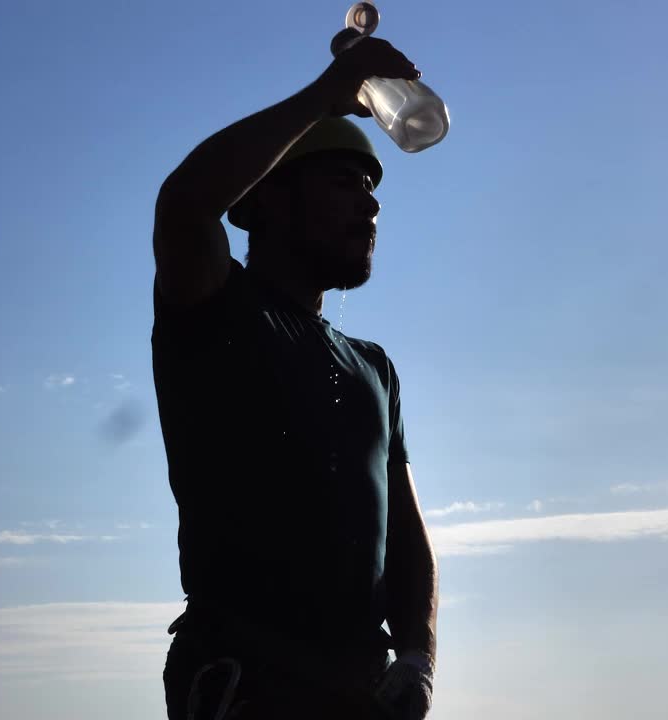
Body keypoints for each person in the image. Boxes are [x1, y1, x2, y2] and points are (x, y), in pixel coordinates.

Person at [151, 29, 438, 720]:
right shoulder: (217, 311)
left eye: (372, 188)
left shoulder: (375, 369)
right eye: (343, 181)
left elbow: (406, 538)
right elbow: (186, 204)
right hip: (249, 682)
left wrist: (418, 659)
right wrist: (323, 97)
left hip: (363, 693)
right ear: (264, 202)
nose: (370, 204)